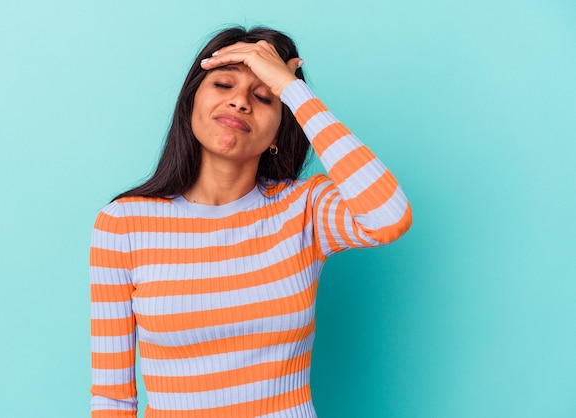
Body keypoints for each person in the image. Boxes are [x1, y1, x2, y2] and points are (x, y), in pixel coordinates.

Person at [90, 26, 412, 418]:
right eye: (224, 85)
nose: (240, 101)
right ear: (190, 104)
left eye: (263, 95)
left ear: (280, 130)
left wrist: (292, 89)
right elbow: (113, 400)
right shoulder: (123, 224)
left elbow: (388, 216)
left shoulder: (304, 208)